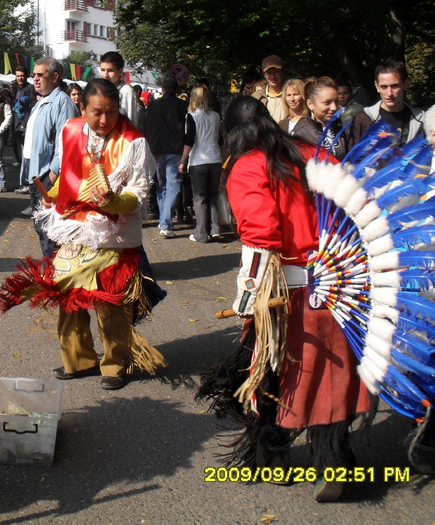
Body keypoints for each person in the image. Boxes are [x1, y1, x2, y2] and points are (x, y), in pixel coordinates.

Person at [197, 96, 369, 502]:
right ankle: (335, 462)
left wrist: (247, 295)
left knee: (273, 374)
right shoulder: (313, 152)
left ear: (232, 133)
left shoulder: (248, 166)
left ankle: (272, 457)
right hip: (341, 285)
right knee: (333, 375)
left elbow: (262, 236)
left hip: (288, 293)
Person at [0, 78, 166, 390]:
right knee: (69, 298)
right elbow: (70, 175)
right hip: (75, 229)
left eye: (112, 112)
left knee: (111, 303)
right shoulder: (72, 130)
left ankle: (115, 365)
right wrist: (54, 192)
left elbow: (139, 194)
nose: (105, 120)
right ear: (82, 108)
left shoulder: (133, 142)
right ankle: (79, 360)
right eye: (97, 112)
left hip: (114, 235)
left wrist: (115, 202)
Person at [20, 57, 79, 256]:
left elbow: (68, 142)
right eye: (33, 75)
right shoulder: (42, 101)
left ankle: (54, 271)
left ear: (55, 77)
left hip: (47, 175)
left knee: (50, 228)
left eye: (40, 75)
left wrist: (54, 173)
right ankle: (50, 269)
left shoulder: (62, 102)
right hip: (35, 172)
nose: (35, 79)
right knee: (41, 225)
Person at [145, 76, 188, 238]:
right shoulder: (183, 106)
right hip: (176, 150)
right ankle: (165, 222)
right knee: (173, 187)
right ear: (176, 90)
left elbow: (146, 126)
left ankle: (164, 221)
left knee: (161, 186)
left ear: (162, 89)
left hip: (156, 150)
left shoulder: (153, 106)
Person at [179, 85, 222, 243]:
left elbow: (189, 140)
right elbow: (220, 139)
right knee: (213, 196)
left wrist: (183, 160)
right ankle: (216, 229)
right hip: (215, 159)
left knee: (200, 198)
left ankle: (201, 233)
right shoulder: (216, 116)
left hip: (199, 160)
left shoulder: (192, 116)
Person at [352, 59, 424, 147]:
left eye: (394, 86)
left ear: (405, 84)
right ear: (377, 86)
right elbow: (357, 156)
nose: (389, 93)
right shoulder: (365, 118)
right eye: (384, 87)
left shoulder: (420, 120)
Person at [292, 76, 348, 160]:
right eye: (327, 103)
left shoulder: (339, 127)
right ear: (310, 104)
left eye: (336, 102)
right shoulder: (301, 134)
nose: (334, 107)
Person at [12, 67, 38, 195]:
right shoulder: (17, 89)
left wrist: (24, 124)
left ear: (26, 76)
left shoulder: (30, 89)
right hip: (17, 129)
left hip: (25, 129)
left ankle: (28, 185)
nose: (20, 78)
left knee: (27, 158)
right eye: (18, 76)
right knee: (22, 158)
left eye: (22, 75)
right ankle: (25, 183)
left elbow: (32, 108)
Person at [99, 51, 141, 128]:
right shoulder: (98, 90)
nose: (105, 75)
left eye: (110, 70)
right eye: (102, 70)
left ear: (120, 71)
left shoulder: (126, 91)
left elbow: (131, 123)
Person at [252, 55, 289, 123]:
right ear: (264, 75)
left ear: (282, 72)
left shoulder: (291, 95)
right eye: (269, 72)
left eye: (276, 72)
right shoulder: (257, 97)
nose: (273, 76)